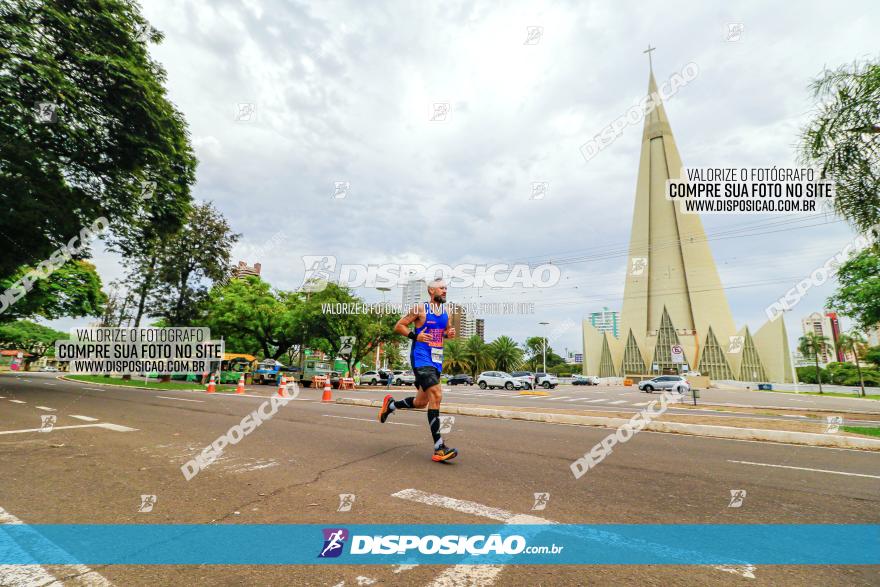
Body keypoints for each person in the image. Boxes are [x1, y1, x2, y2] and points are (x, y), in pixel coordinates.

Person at [378, 278, 457, 461]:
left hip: (437, 360)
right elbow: (399, 326)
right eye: (441, 288)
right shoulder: (420, 309)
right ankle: (439, 448)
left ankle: (390, 405)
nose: (444, 291)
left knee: (421, 402)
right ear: (431, 291)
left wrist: (449, 334)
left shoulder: (447, 312)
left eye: (446, 288)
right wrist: (416, 336)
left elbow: (444, 333)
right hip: (421, 359)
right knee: (437, 395)